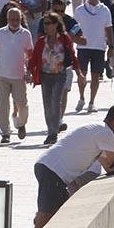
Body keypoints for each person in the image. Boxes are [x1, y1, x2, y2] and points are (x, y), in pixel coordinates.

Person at [32, 104, 114, 228]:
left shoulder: (99, 129)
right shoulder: (106, 133)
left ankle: (40, 216)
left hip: (49, 167)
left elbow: (109, 166)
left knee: (60, 214)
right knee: (45, 220)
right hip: (53, 171)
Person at [28, 13, 78, 144]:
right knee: (47, 105)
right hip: (45, 76)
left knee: (55, 102)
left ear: (56, 24)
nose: (45, 26)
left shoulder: (64, 39)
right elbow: (34, 58)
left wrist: (80, 73)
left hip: (60, 75)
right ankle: (50, 129)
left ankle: (53, 133)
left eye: (48, 23)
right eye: (44, 23)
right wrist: (29, 72)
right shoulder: (41, 41)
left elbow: (72, 55)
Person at [0, 6, 33, 143]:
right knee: (2, 106)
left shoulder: (26, 34)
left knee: (22, 104)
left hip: (19, 75)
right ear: (7, 19)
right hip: (1, 74)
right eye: (12, 19)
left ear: (21, 19)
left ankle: (21, 123)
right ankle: (5, 132)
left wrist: (29, 72)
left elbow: (30, 55)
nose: (14, 22)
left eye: (17, 19)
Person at [72, 0, 113, 113]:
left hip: (99, 47)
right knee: (82, 74)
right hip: (83, 47)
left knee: (95, 76)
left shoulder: (105, 10)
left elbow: (109, 29)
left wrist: (111, 46)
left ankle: (92, 101)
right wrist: (73, 42)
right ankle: (81, 98)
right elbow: (74, 28)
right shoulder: (79, 10)